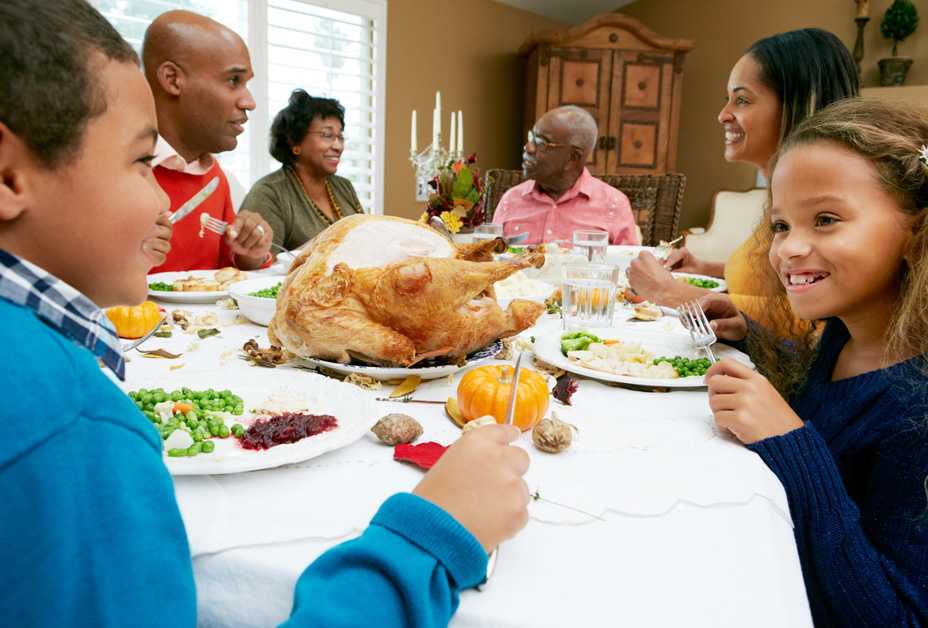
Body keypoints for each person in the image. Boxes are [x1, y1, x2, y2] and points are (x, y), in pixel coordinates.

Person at [0, 2, 531, 625]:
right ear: (9, 178)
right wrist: (429, 542)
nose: (159, 200)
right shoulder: (71, 430)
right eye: (143, 162)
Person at [700, 98, 928, 626]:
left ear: (917, 232)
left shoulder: (918, 412)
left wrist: (793, 444)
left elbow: (895, 616)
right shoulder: (844, 336)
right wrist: (754, 338)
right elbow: (829, 404)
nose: (789, 249)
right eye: (781, 224)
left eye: (825, 220)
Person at [629, 28, 859, 325]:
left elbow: (815, 323)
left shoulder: (829, 202)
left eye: (742, 100)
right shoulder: (783, 199)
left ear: (796, 104)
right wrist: (707, 269)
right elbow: (780, 282)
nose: (723, 115)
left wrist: (668, 292)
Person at [142, 10, 274, 272]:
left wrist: (250, 254)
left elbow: (224, 275)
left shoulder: (215, 178)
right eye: (233, 80)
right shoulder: (113, 171)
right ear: (172, 79)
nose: (249, 102)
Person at [492, 105, 639, 246]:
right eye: (531, 138)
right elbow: (491, 260)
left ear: (572, 157)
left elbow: (629, 266)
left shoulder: (613, 204)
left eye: (541, 142)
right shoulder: (511, 200)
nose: (528, 147)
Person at [241, 89, 363, 251]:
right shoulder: (268, 193)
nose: (338, 146)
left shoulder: (344, 187)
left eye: (340, 137)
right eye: (327, 135)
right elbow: (262, 263)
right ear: (294, 142)